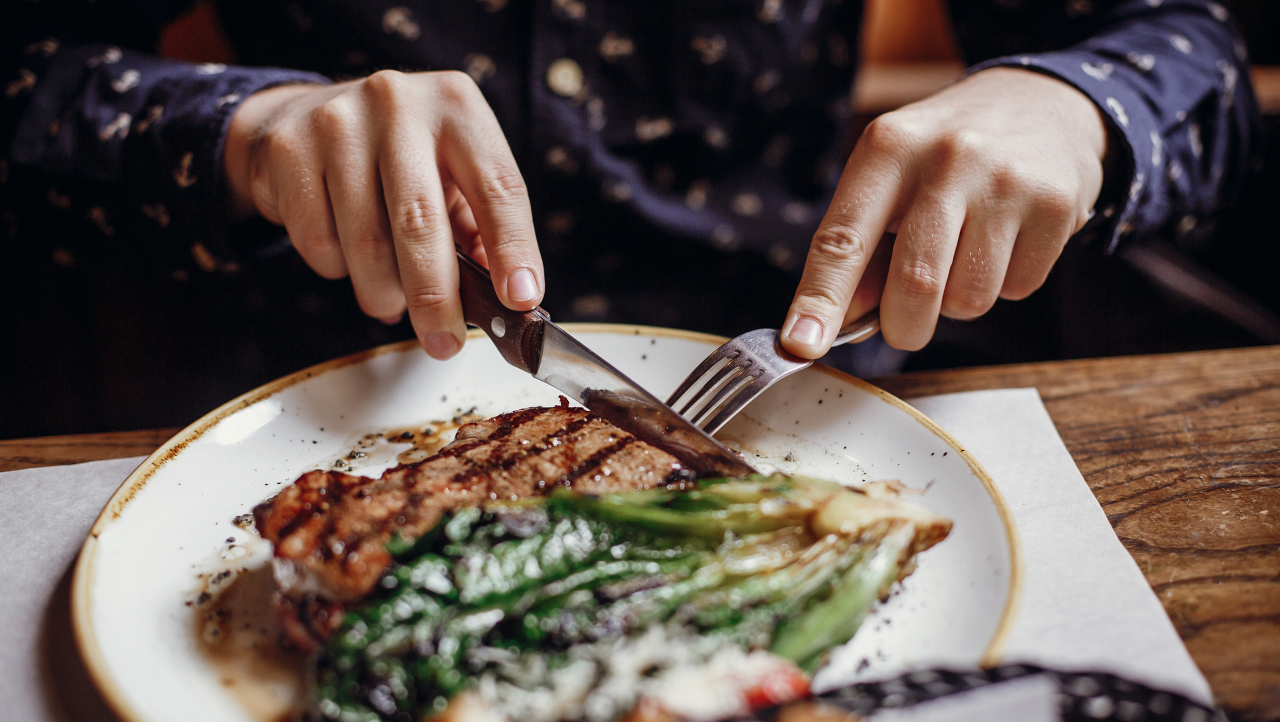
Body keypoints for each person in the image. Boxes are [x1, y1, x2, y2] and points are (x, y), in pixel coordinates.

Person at [1, 0, 1260, 370]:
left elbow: (1188, 42)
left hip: (817, 388)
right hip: (320, 377)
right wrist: (239, 125)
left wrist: (1080, 100)